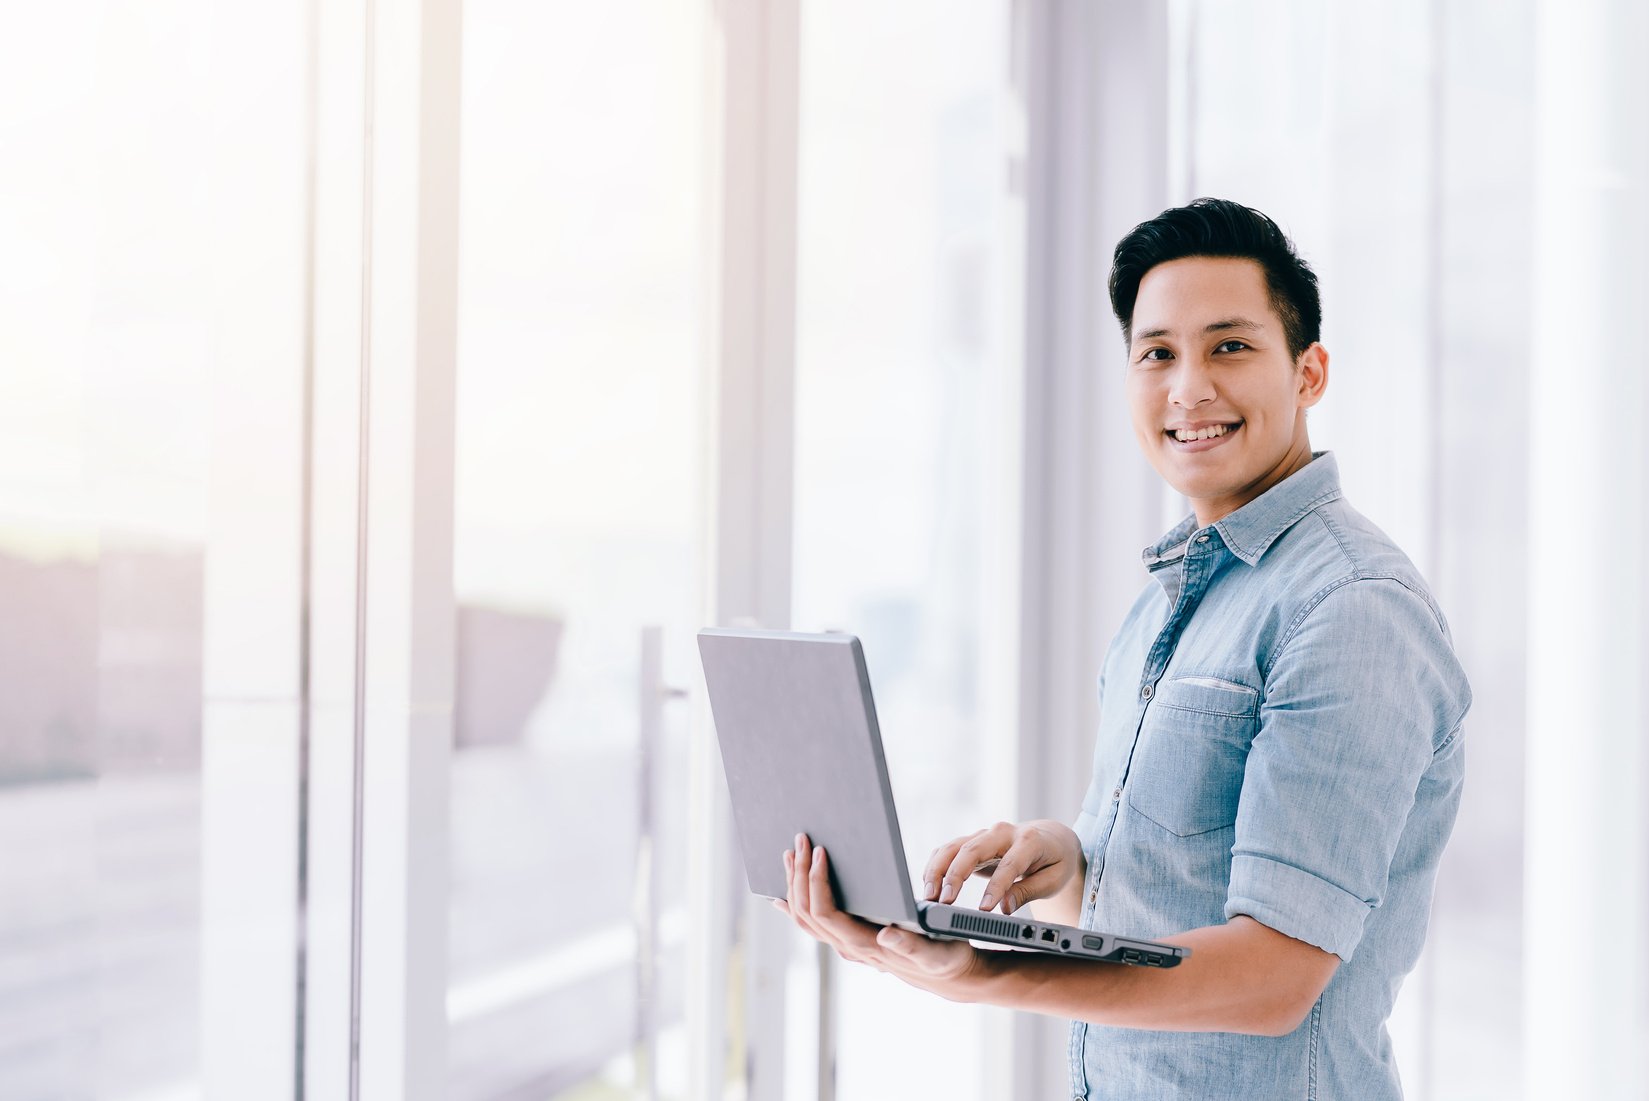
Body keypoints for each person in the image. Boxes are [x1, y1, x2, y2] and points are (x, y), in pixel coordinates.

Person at [775, 198, 1471, 1099]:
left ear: (1308, 374)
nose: (1188, 387)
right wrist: (1069, 864)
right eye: (1157, 353)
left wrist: (986, 976)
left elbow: (1274, 976)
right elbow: (1169, 900)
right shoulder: (1170, 599)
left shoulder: (1352, 609)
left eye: (1229, 346)